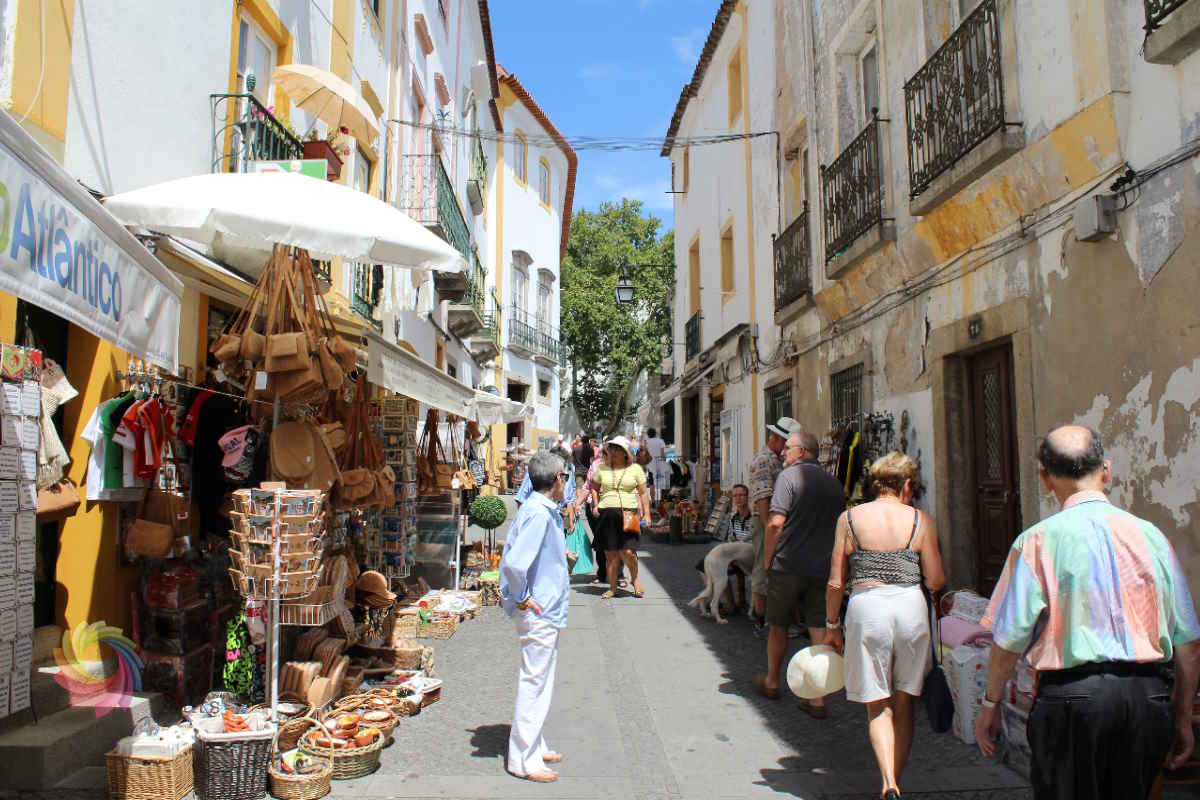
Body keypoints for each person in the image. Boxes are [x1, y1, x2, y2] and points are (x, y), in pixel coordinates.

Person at [974, 425, 1200, 800]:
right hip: (1147, 699)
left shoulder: (1036, 542)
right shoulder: (1153, 538)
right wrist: (1180, 716)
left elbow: (1008, 639)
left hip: (1071, 702)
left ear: (1045, 479)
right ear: (1106, 471)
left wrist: (990, 703)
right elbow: (1189, 644)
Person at [824, 453, 945, 800]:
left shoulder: (849, 519)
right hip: (910, 607)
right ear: (906, 485)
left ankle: (888, 782)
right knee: (904, 700)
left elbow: (835, 582)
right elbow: (936, 580)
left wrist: (832, 624)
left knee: (877, 704)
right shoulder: (920, 520)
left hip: (867, 607)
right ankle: (894, 782)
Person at [755, 430, 845, 718]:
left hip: (788, 565)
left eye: (789, 448)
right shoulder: (834, 483)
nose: (783, 452)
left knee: (778, 625)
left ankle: (772, 681)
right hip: (822, 567)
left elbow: (775, 523)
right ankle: (818, 698)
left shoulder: (788, 478)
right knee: (819, 628)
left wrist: (768, 558)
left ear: (803, 452)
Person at [500, 451, 572, 783]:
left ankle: (534, 744)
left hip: (545, 606)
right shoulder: (539, 514)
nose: (565, 483)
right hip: (539, 608)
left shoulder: (539, 510)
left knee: (541, 679)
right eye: (565, 478)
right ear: (557, 479)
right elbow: (515, 564)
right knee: (535, 681)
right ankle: (523, 758)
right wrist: (523, 597)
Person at [747, 416, 803, 633]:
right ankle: (761, 617)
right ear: (778, 439)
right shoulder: (764, 460)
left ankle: (769, 617)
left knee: (771, 566)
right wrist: (769, 527)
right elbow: (763, 497)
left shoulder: (774, 459)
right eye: (788, 443)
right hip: (767, 521)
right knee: (764, 566)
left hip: (772, 521)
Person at [591, 435, 650, 599]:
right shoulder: (602, 469)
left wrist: (647, 514)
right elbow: (594, 487)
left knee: (628, 551)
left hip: (629, 513)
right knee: (610, 554)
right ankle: (612, 587)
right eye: (612, 448)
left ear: (625, 453)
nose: (614, 452)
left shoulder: (635, 469)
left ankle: (635, 579)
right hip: (607, 514)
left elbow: (643, 493)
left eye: (618, 449)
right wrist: (595, 505)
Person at [516, 445, 576, 530]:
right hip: (538, 518)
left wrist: (570, 520)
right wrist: (523, 523)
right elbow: (521, 499)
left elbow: (569, 498)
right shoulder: (537, 473)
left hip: (560, 517)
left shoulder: (569, 470)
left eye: (564, 464)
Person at [645, 428, 668, 507]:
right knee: (661, 482)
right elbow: (662, 454)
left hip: (650, 465)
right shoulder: (660, 441)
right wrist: (664, 460)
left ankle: (653, 501)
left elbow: (645, 454)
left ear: (648, 434)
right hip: (659, 464)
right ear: (655, 433)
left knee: (652, 484)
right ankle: (661, 502)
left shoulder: (646, 442)